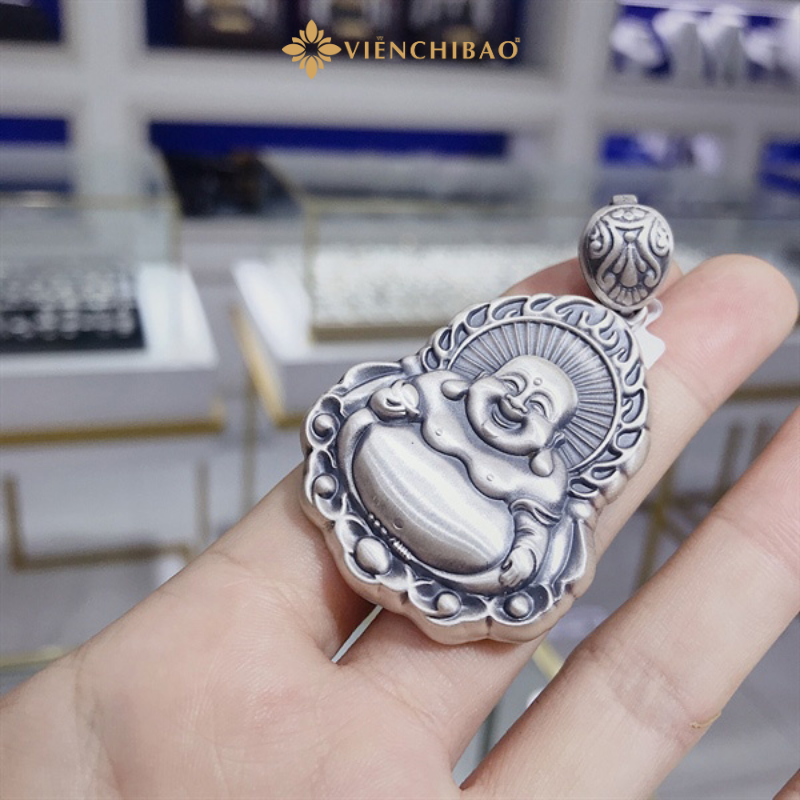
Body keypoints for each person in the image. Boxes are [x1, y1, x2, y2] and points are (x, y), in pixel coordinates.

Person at [1, 254, 798, 800]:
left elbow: (545, 531)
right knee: (376, 425)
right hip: (400, 465)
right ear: (488, 367)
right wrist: (413, 419)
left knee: (518, 552)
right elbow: (385, 403)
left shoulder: (545, 476)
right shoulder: (440, 396)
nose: (518, 406)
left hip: (474, 533)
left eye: (540, 411)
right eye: (516, 384)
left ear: (561, 436)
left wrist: (519, 504)